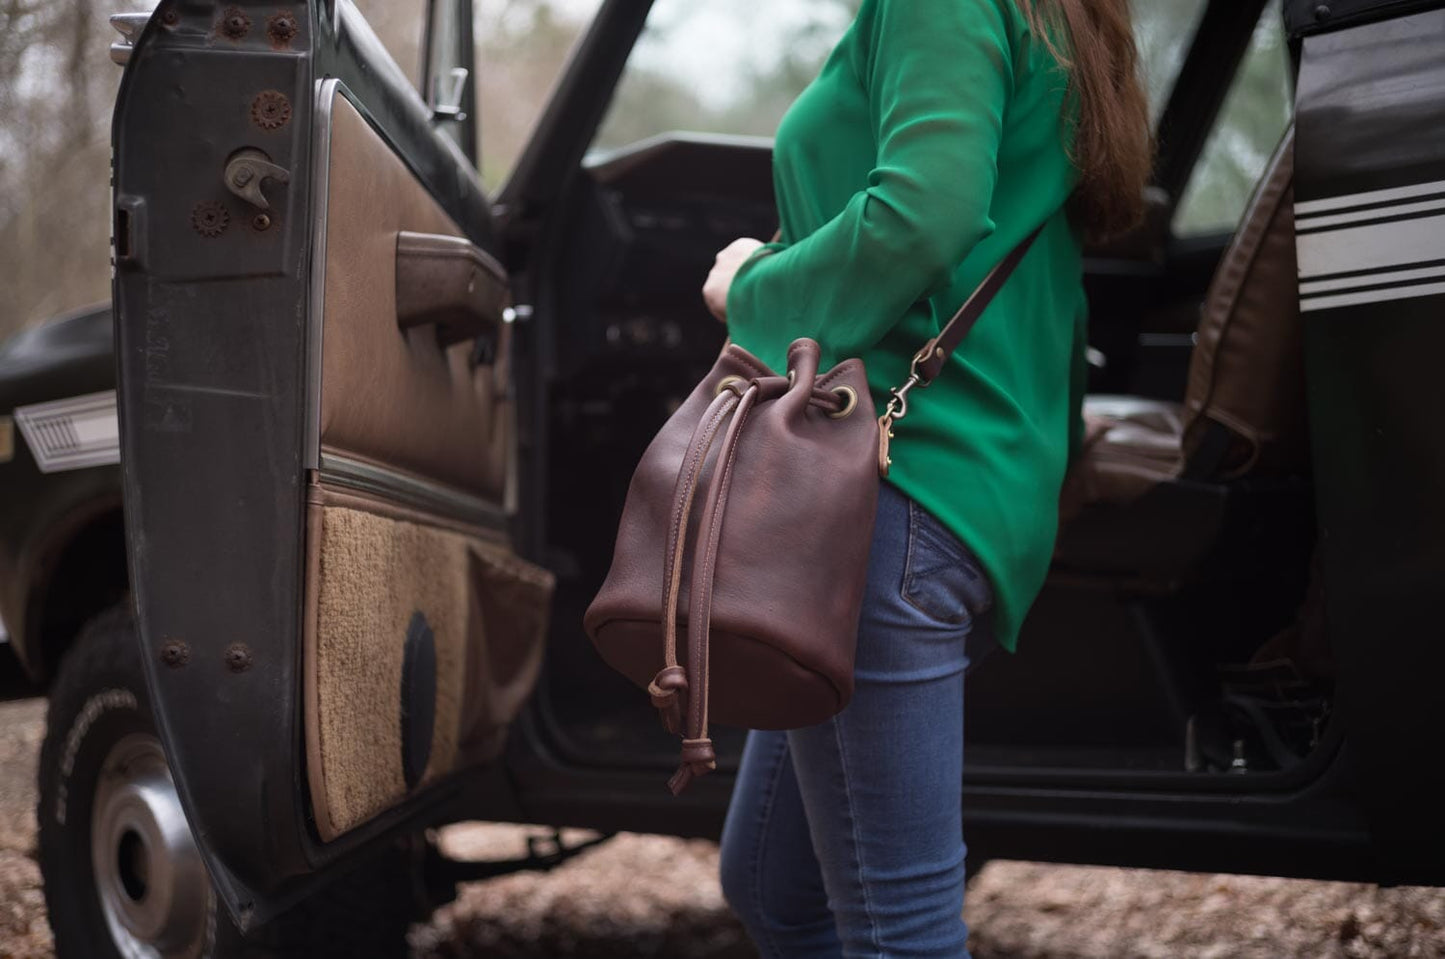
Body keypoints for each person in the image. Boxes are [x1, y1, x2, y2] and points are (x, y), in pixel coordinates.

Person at [702, 0, 1152, 954]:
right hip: (971, 478)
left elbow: (925, 210)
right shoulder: (1055, 17)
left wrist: (752, 288)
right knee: (773, 884)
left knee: (895, 928)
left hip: (893, 491)